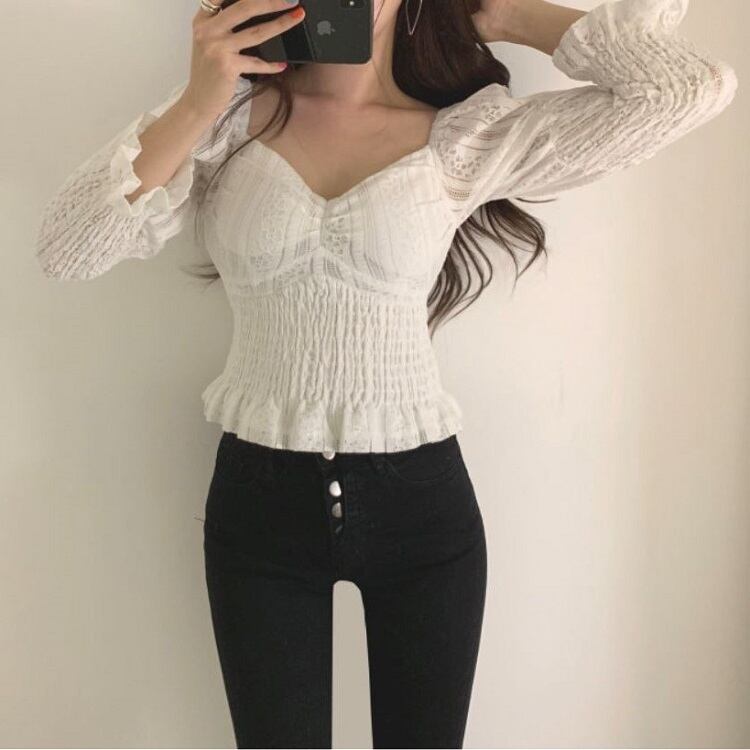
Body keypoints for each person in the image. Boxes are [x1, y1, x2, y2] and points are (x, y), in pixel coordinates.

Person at [35, 0, 737, 746]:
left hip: (421, 508)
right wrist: (196, 101)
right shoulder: (228, 122)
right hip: (259, 508)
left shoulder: (463, 138)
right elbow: (68, 249)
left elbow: (686, 89)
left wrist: (507, 16)